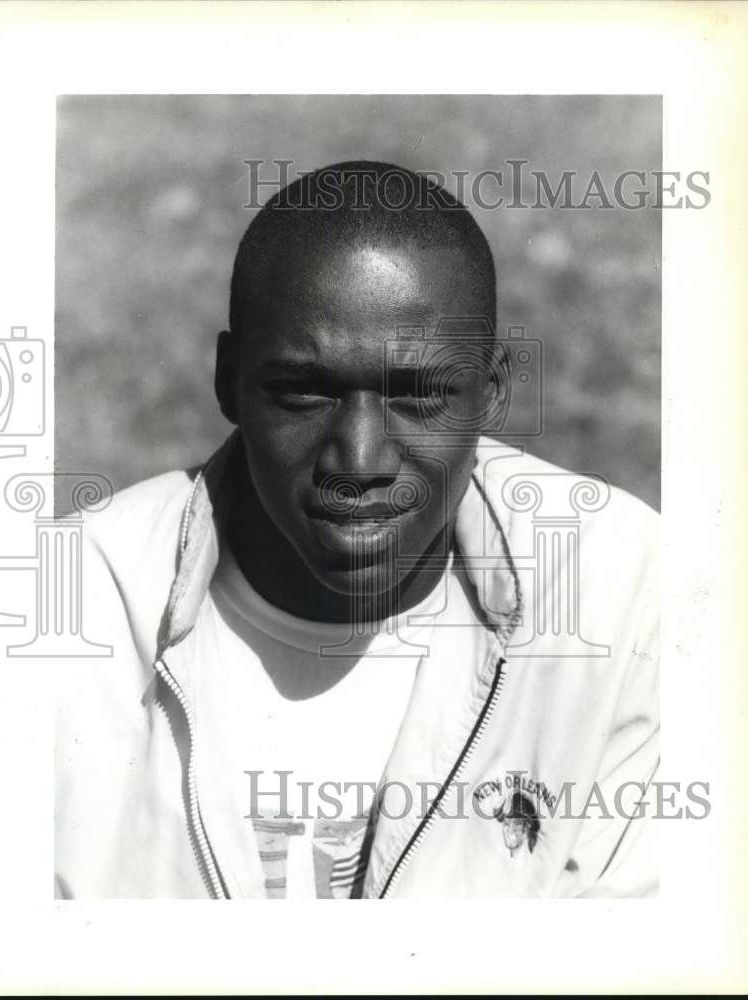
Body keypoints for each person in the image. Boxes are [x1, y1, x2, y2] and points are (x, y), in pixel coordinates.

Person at [55, 161, 659, 899]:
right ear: (228, 381)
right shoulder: (68, 610)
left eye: (420, 396)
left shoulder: (618, 589)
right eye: (304, 392)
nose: (359, 460)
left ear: (491, 393)